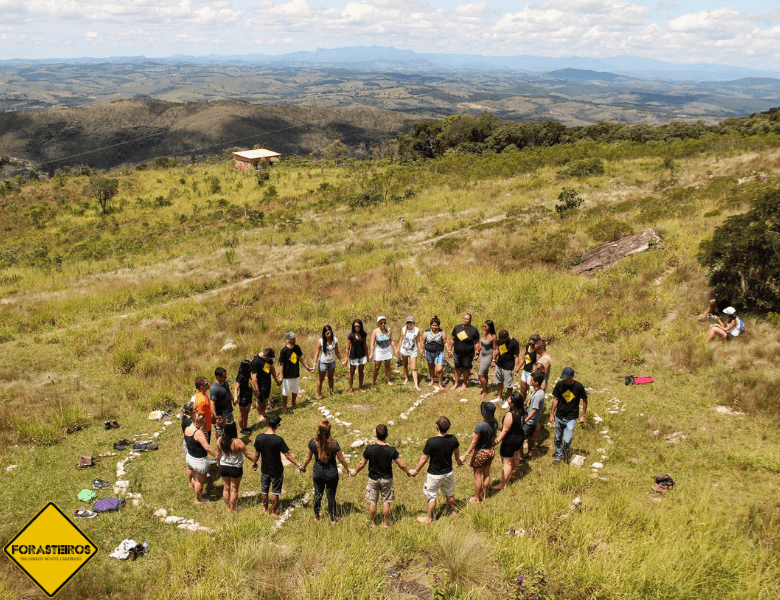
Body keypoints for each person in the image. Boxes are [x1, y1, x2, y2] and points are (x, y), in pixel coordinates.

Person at [351, 424, 411, 528]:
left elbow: (362, 463)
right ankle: (386, 522)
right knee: (386, 501)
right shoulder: (391, 450)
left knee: (373, 501)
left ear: (375, 434)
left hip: (373, 479)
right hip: (386, 479)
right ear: (387, 434)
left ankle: (373, 522)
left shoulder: (369, 449)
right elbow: (401, 464)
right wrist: (407, 472)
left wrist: (355, 471)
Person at [409, 416, 464, 523]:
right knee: (449, 493)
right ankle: (453, 511)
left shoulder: (432, 442)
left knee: (432, 496)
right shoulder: (453, 439)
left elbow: (424, 458)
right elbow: (457, 450)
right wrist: (457, 460)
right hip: (448, 472)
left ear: (437, 427)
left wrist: (416, 471)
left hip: (434, 475)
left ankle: (428, 518)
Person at [301, 420, 353, 523]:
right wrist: (348, 469)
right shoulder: (334, 443)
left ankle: (317, 517)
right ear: (329, 431)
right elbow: (341, 459)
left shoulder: (313, 442)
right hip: (331, 474)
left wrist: (303, 467)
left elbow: (308, 457)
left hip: (318, 473)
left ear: (318, 430)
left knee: (318, 494)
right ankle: (333, 519)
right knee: (331, 496)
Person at [252, 415, 302, 515]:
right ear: (277, 426)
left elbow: (257, 453)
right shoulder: (278, 440)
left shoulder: (259, 437)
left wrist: (254, 463)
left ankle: (266, 509)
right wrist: (298, 464)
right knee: (275, 491)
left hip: (265, 468)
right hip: (277, 469)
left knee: (264, 490)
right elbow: (287, 455)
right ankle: (274, 511)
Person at [548, 367, 588, 465]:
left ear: (571, 377)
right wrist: (552, 414)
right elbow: (555, 399)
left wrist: (583, 415)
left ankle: (566, 454)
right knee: (557, 438)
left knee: (567, 439)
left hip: (571, 417)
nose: (564, 380)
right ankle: (558, 457)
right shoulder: (559, 385)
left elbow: (585, 400)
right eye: (563, 377)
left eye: (566, 378)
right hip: (559, 416)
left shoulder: (578, 387)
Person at [462, 402, 498, 503]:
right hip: (490, 451)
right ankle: (485, 495)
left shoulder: (480, 426)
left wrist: (466, 455)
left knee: (477, 476)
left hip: (480, 453)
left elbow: (474, 443)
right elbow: (494, 436)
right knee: (487, 474)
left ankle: (477, 498)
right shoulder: (495, 422)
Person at [215, 421, 254, 512]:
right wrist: (254, 462)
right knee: (234, 490)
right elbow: (247, 454)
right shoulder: (238, 442)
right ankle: (234, 507)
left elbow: (219, 454)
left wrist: (218, 462)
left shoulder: (220, 440)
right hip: (235, 468)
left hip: (224, 467)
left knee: (226, 487)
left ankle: (228, 507)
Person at [492, 391, 525, 490]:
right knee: (515, 456)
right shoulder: (522, 411)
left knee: (507, 462)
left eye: (510, 398)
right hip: (519, 437)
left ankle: (502, 484)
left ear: (513, 402)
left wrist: (496, 442)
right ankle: (513, 474)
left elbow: (505, 430)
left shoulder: (510, 414)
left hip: (510, 440)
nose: (508, 399)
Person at [183, 412, 218, 504]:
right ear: (198, 422)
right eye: (202, 422)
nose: (203, 424)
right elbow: (207, 448)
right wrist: (217, 455)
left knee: (194, 477)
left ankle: (194, 488)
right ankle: (198, 499)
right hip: (199, 461)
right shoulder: (198, 433)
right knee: (200, 481)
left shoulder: (187, 428)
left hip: (189, 457)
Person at [279, 332, 314, 413]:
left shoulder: (297, 348)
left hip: (296, 374)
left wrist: (308, 368)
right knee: (286, 391)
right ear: (287, 340)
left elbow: (301, 359)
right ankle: (284, 406)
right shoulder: (284, 351)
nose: (294, 340)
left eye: (294, 338)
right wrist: (281, 376)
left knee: (295, 390)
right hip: (287, 375)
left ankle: (294, 403)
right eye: (292, 339)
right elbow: (281, 364)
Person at [447, 313, 480, 391]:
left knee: (466, 369)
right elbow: (452, 339)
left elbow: (477, 343)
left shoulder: (474, 330)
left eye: (466, 319)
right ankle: (456, 383)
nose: (464, 320)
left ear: (470, 321)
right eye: (464, 318)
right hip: (457, 352)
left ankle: (464, 383)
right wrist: (449, 350)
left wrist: (477, 352)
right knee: (457, 368)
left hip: (468, 354)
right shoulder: (457, 328)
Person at [251, 348, 281, 424]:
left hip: (267, 381)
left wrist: (276, 379)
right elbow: (254, 376)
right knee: (260, 399)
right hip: (260, 383)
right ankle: (260, 414)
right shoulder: (256, 361)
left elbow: (272, 368)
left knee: (265, 398)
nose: (270, 359)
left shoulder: (268, 359)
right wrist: (256, 388)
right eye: (269, 357)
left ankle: (263, 412)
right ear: (264, 355)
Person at [314, 325, 342, 400]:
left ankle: (331, 392)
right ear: (324, 334)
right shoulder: (320, 341)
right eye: (327, 333)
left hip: (332, 362)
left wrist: (341, 360)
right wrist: (314, 364)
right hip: (323, 362)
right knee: (321, 378)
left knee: (330, 377)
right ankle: (319, 395)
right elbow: (317, 353)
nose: (329, 335)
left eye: (330, 333)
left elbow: (337, 351)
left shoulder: (335, 340)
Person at [522, 372, 546, 460]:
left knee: (521, 437)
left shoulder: (537, 395)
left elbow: (534, 410)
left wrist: (525, 420)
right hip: (531, 420)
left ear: (536, 382)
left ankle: (520, 457)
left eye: (532, 380)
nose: (530, 381)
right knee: (530, 437)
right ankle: (530, 453)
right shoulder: (537, 392)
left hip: (530, 421)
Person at [343, 318, 369, 394]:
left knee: (361, 371)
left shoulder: (363, 334)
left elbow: (365, 345)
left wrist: (367, 356)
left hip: (362, 355)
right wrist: (346, 358)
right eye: (355, 326)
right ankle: (351, 388)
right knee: (352, 372)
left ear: (361, 326)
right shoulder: (351, 335)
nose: (357, 328)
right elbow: (347, 348)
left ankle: (360, 387)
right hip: (353, 356)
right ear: (353, 327)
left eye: (358, 326)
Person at [494, 329, 520, 404]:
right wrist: (494, 359)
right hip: (499, 365)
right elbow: (498, 350)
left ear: (507, 336)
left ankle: (508, 399)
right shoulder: (500, 341)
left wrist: (517, 369)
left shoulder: (514, 343)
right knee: (499, 381)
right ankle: (499, 397)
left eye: (503, 339)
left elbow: (516, 356)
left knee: (508, 385)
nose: (501, 340)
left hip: (508, 366)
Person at [210, 367, 235, 439]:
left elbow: (228, 392)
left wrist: (233, 399)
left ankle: (230, 444)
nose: (226, 377)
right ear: (218, 377)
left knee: (230, 428)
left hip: (229, 411)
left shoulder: (225, 382)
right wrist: (215, 416)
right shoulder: (214, 388)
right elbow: (212, 402)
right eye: (224, 376)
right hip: (220, 415)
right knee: (220, 432)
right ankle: (220, 447)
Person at [397, 316, 421, 390]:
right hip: (404, 350)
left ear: (413, 323)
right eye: (408, 322)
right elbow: (401, 340)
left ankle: (416, 384)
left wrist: (421, 350)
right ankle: (406, 378)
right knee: (405, 365)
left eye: (411, 322)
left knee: (414, 368)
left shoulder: (417, 330)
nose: (409, 324)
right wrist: (397, 349)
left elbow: (418, 341)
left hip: (413, 350)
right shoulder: (403, 329)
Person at [422, 316, 446, 390]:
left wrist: (449, 350)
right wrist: (421, 351)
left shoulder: (442, 332)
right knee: (431, 367)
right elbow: (423, 342)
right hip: (428, 352)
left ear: (438, 325)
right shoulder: (426, 332)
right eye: (433, 325)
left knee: (439, 369)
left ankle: (440, 384)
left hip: (439, 353)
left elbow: (445, 342)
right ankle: (432, 380)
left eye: (436, 325)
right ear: (430, 325)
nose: (434, 327)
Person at [476, 320, 498, 398]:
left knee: (480, 374)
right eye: (483, 326)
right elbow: (481, 344)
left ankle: (485, 392)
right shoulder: (484, 333)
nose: (484, 327)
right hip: (482, 355)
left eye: (485, 326)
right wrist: (477, 353)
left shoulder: (493, 337)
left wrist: (494, 360)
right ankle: (484, 388)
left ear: (490, 327)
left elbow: (495, 349)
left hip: (488, 356)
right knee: (484, 374)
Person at [371, 316, 394, 386]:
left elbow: (391, 340)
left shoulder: (389, 330)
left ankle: (388, 379)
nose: (383, 324)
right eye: (381, 323)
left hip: (387, 349)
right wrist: (371, 354)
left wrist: (395, 348)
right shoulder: (375, 331)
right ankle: (374, 382)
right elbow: (372, 344)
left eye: (384, 322)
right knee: (377, 366)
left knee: (388, 365)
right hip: (379, 350)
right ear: (378, 324)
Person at [233, 359, 254, 436]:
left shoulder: (248, 374)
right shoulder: (241, 376)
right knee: (242, 414)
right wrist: (235, 397)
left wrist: (254, 390)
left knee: (247, 412)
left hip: (249, 395)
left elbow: (250, 382)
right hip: (243, 397)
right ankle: (242, 429)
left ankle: (245, 427)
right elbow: (236, 388)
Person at [519, 334, 541, 401]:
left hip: (531, 373)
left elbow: (538, 362)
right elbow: (523, 358)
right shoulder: (527, 347)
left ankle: (530, 405)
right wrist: (517, 369)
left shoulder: (538, 350)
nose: (531, 345)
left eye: (533, 344)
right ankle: (522, 405)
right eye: (530, 343)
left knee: (531, 390)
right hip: (525, 371)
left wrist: (534, 373)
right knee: (523, 389)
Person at [193, 376, 213, 444]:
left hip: (208, 424)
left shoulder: (200, 393)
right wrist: (205, 433)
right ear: (201, 387)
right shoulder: (202, 400)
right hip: (205, 429)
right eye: (206, 383)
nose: (209, 384)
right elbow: (201, 418)